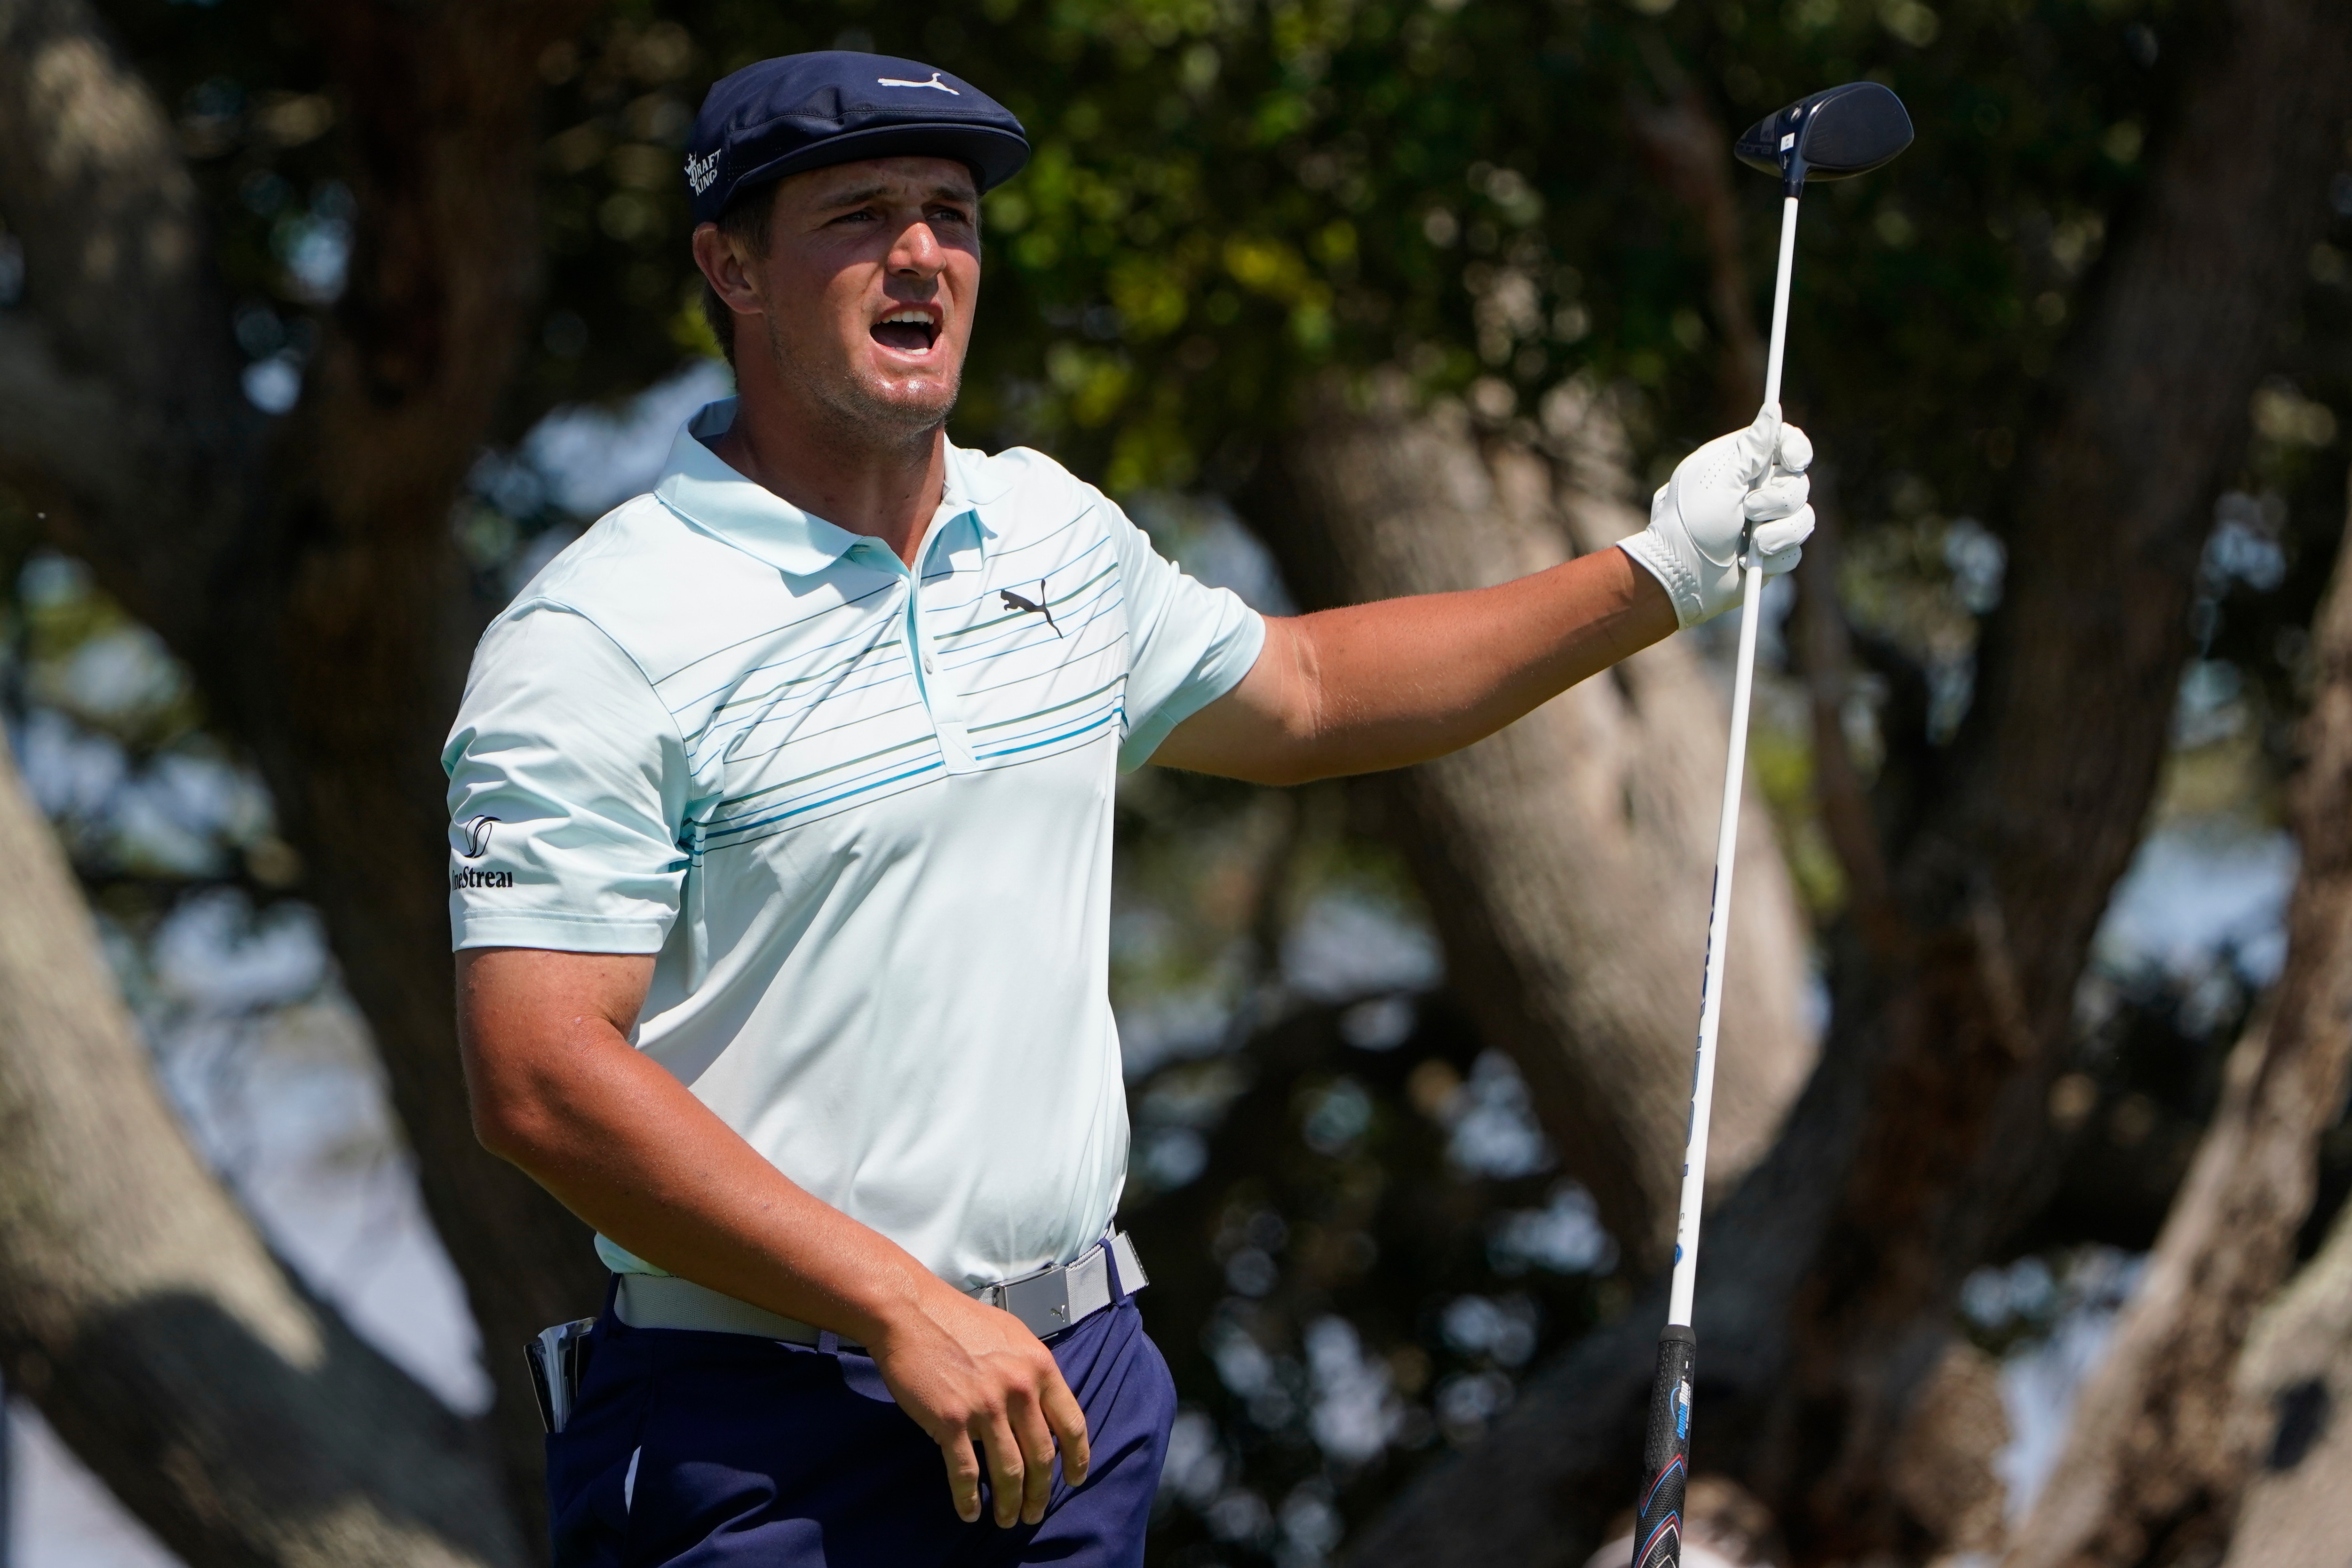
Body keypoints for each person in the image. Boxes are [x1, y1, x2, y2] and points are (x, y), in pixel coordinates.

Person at [445, 48, 1814, 1568]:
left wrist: (1658, 576)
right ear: (732, 268)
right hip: (759, 1426)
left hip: (1071, 1397)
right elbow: (541, 1076)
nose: (922, 253)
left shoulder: (1050, 532)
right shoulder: (598, 637)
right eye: (860, 215)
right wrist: (898, 1305)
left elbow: (1308, 692)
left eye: (952, 213)